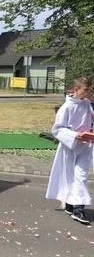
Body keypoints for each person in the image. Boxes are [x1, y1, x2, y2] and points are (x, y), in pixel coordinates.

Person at [46, 76, 94, 224]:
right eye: (85, 90)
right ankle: (73, 205)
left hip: (86, 145)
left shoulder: (87, 103)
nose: (87, 93)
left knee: (81, 175)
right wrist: (74, 135)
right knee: (70, 176)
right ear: (75, 89)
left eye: (90, 90)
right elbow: (57, 129)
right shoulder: (66, 107)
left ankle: (77, 207)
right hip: (70, 146)